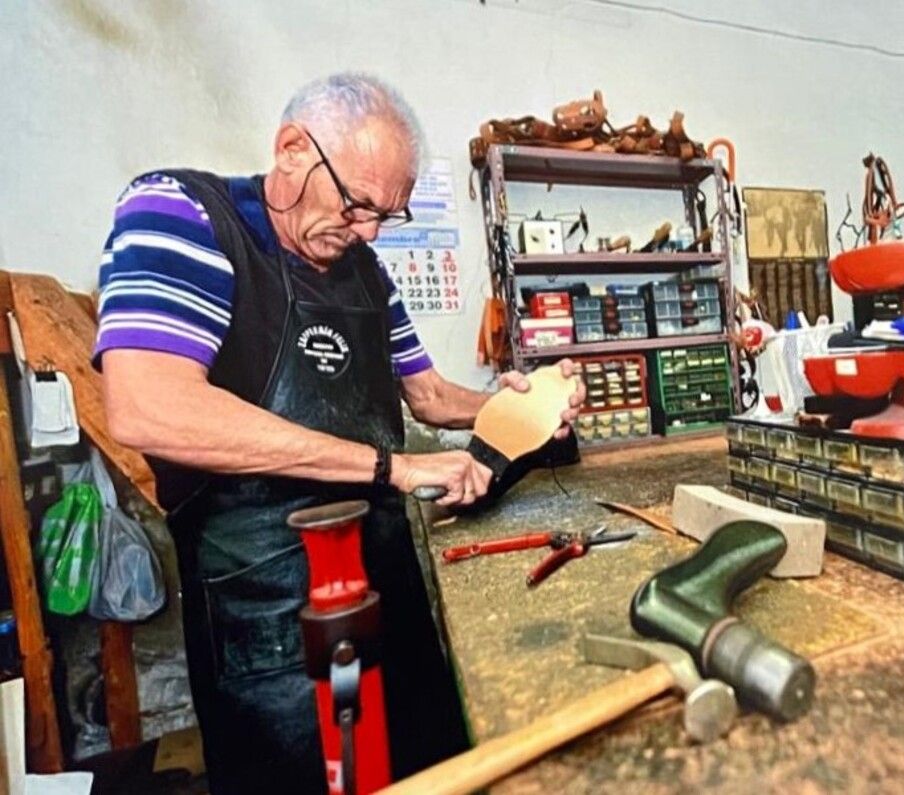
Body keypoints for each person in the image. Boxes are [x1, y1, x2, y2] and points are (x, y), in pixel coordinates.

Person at [95, 73, 582, 793]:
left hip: (384, 580)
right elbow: (149, 407)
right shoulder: (180, 214)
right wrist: (394, 468)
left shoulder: (365, 269)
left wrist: (510, 402)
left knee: (432, 764)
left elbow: (427, 394)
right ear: (292, 149)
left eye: (388, 213)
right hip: (267, 606)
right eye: (357, 204)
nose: (369, 231)